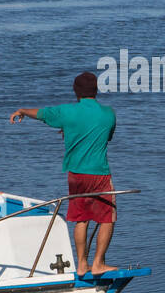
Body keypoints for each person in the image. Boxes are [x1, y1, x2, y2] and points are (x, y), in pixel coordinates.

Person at [10, 72, 117, 276]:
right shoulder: (108, 113)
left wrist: (23, 110)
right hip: (99, 173)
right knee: (107, 218)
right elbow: (106, 137)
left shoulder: (67, 112)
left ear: (76, 92)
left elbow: (42, 113)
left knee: (81, 219)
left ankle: (82, 264)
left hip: (75, 174)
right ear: (96, 90)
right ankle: (98, 263)